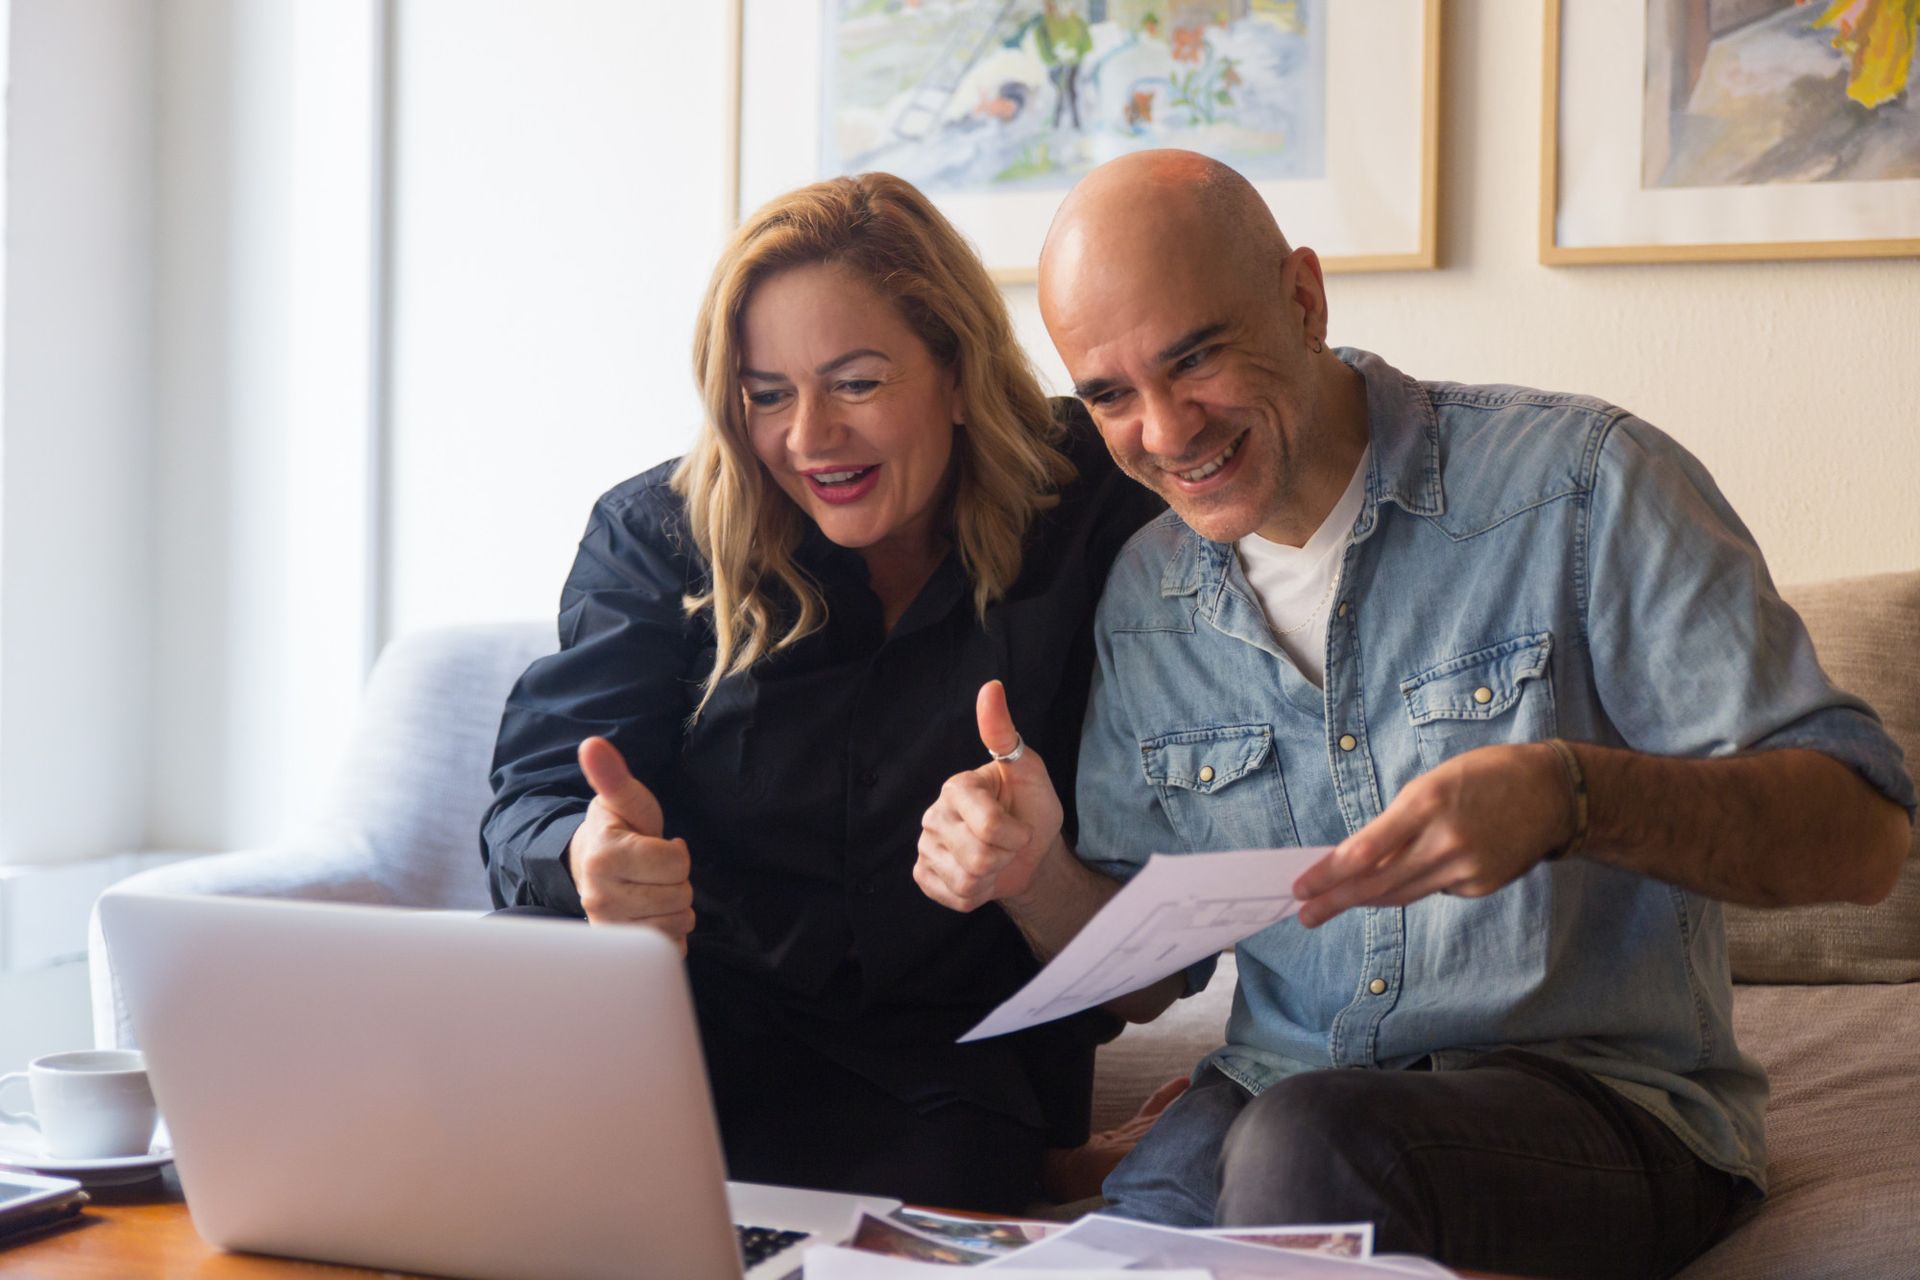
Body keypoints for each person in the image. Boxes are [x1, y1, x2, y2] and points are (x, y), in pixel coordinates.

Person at [913, 150, 1914, 1276]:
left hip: (1598, 1107)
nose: (1165, 428)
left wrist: (1570, 796)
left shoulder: (1583, 486)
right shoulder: (1148, 596)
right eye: (1109, 394)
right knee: (1107, 1237)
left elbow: (1866, 834)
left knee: (1305, 1150)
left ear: (1303, 297)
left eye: (1194, 358)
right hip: (1275, 1097)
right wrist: (1030, 864)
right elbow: (1149, 976)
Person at [480, 172, 1161, 1213]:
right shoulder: (658, 535)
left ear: (958, 370)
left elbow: (1164, 908)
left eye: (855, 382)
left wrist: (1037, 863)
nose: (808, 438)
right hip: (689, 1042)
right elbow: (528, 804)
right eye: (765, 394)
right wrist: (586, 857)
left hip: (957, 1072)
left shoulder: (1096, 506)